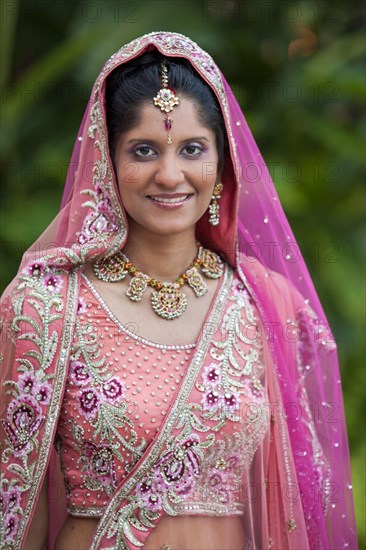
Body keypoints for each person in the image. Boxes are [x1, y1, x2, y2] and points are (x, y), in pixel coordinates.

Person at [0, 31, 357, 550]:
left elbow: (292, 504)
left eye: (192, 149)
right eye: (144, 150)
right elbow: (14, 510)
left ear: (221, 164)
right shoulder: (45, 306)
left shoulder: (265, 304)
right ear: (108, 164)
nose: (170, 175)